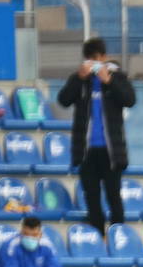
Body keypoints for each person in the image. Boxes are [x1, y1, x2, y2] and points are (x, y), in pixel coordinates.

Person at [57, 38, 136, 238]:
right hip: (87, 152)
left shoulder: (117, 77)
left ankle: (119, 237)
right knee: (92, 197)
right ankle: (98, 238)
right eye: (90, 59)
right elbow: (63, 100)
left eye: (97, 58)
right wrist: (78, 78)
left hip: (111, 152)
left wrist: (108, 81)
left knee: (113, 196)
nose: (94, 63)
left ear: (104, 57)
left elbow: (130, 100)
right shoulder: (80, 80)